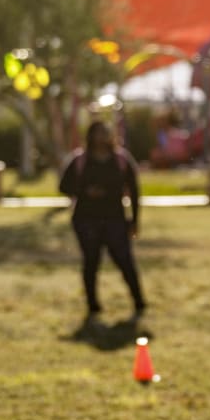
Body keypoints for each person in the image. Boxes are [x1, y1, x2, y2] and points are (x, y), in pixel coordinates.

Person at [58, 121, 146, 322]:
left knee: (124, 261)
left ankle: (139, 301)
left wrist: (135, 220)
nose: (101, 137)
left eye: (105, 132)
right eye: (97, 133)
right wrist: (85, 192)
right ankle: (93, 306)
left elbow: (134, 191)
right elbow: (64, 186)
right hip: (86, 219)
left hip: (115, 218)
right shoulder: (80, 160)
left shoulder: (121, 160)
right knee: (91, 262)